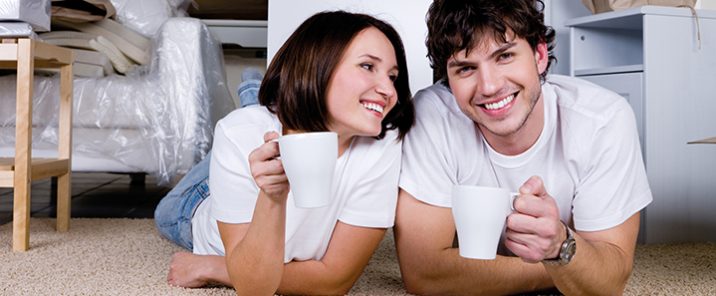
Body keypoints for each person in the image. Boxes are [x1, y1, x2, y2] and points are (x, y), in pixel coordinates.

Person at [394, 0, 653, 295]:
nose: (489, 86)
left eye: (504, 56)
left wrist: (559, 243)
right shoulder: (432, 115)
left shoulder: (603, 119)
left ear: (539, 55)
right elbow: (424, 274)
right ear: (449, 81)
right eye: (466, 69)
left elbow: (608, 283)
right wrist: (562, 262)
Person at [153, 10, 414, 295]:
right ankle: (256, 100)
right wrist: (272, 197)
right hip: (195, 203)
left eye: (392, 76)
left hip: (267, 130)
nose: (389, 90)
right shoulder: (240, 134)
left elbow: (334, 282)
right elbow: (254, 287)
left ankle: (259, 95)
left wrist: (217, 267)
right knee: (169, 207)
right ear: (317, 66)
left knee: (257, 122)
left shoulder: (383, 144)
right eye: (367, 66)